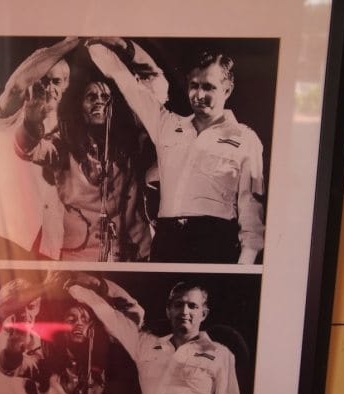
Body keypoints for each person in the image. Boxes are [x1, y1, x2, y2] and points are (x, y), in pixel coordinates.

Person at [88, 40, 265, 264]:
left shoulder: (246, 139)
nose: (199, 95)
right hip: (167, 241)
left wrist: (245, 265)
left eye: (209, 87)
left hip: (215, 243)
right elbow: (126, 82)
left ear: (227, 90)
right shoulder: (167, 126)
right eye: (194, 85)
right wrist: (96, 41)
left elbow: (252, 210)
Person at [67, 278, 243, 394]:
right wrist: (74, 287)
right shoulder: (146, 344)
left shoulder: (220, 353)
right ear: (169, 311)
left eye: (192, 306)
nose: (185, 312)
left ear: (204, 314)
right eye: (178, 305)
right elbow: (112, 318)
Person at [14, 75, 151, 261]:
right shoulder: (64, 142)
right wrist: (30, 122)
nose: (99, 102)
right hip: (80, 257)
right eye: (91, 97)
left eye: (105, 98)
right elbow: (28, 149)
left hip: (126, 256)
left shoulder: (129, 146)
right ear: (78, 105)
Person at [0, 37, 81, 260]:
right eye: (41, 80)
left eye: (56, 82)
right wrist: (72, 41)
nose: (48, 88)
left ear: (65, 86)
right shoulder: (11, 114)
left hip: (48, 247)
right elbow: (16, 86)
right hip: (6, 239)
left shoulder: (69, 133)